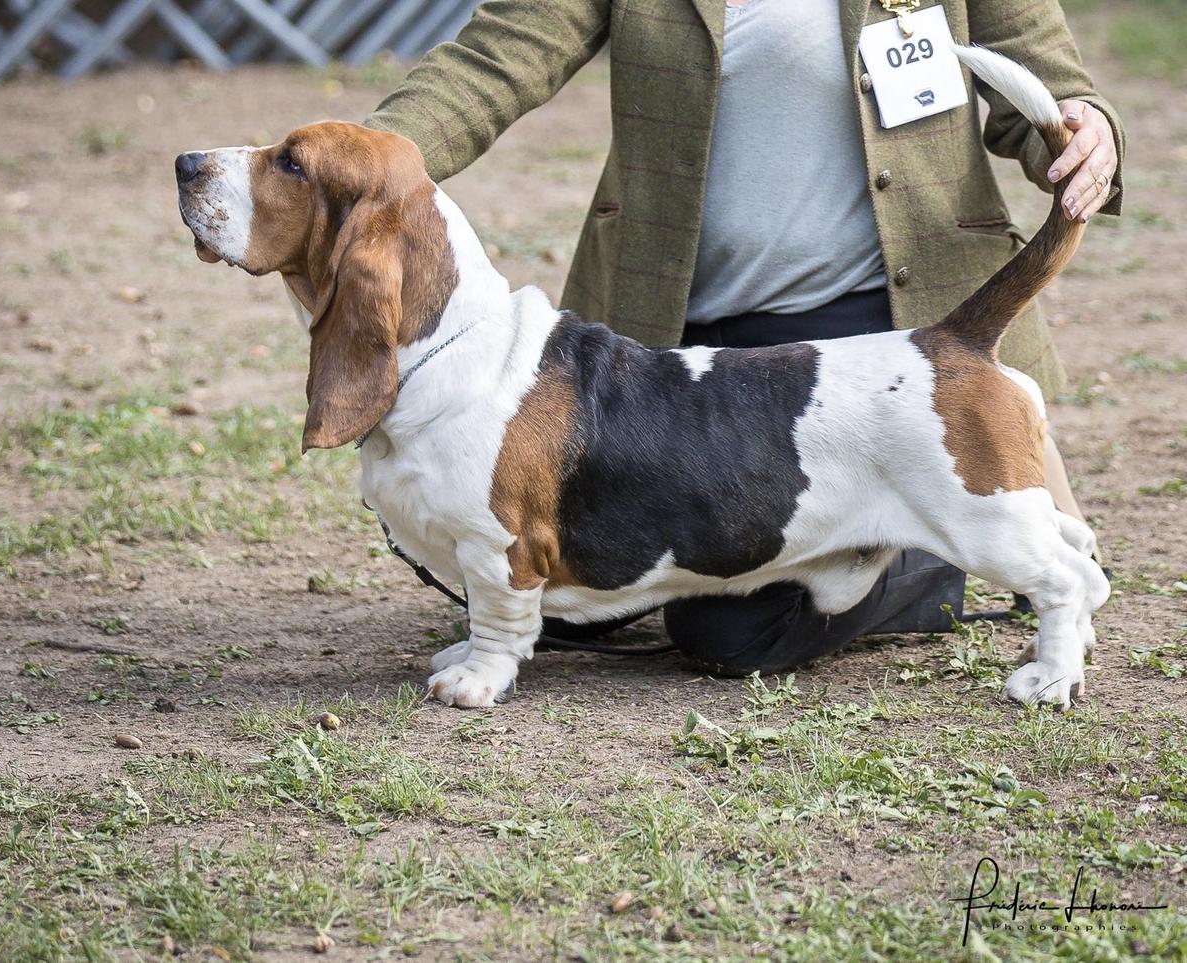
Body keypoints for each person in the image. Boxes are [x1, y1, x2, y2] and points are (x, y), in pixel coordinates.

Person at [363, 0, 1124, 674]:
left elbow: (1046, 83)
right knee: (552, 590)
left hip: (873, 325)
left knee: (734, 630)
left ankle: (920, 544)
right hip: (664, 335)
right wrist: (352, 167)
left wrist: (1086, 130)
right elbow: (495, 60)